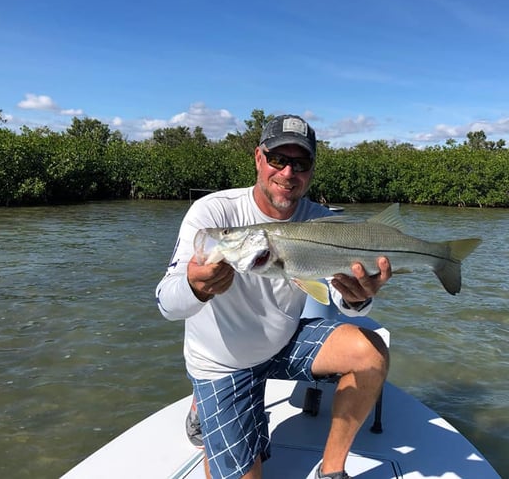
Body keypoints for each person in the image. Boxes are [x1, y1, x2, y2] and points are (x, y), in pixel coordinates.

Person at [156, 114, 392, 479]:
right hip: (223, 364)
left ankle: (331, 470)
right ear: (258, 158)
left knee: (371, 352)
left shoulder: (321, 220)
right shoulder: (214, 212)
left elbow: (338, 296)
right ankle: (204, 403)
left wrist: (358, 299)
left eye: (300, 163)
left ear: (311, 171)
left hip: (283, 342)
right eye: (278, 159)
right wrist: (195, 285)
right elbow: (167, 303)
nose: (287, 172)